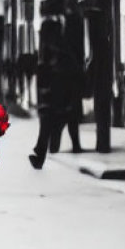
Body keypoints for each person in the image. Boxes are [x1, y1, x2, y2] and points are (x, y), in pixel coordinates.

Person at [29, 18, 82, 169]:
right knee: (49, 128)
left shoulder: (61, 53)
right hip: (54, 99)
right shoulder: (51, 52)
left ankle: (41, 154)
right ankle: (41, 154)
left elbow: (67, 76)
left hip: (60, 99)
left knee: (50, 127)